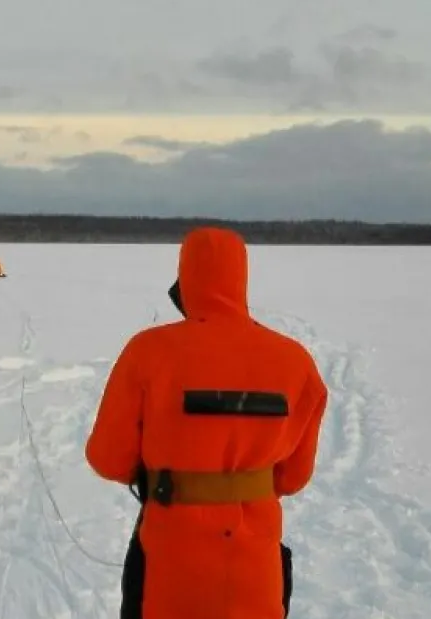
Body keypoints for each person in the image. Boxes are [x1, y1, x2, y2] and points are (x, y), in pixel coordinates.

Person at [85, 226, 328, 619]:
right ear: (241, 278)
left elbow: (108, 458)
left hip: (167, 566)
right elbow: (292, 478)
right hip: (255, 567)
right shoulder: (294, 361)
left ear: (186, 276)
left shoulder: (148, 352)